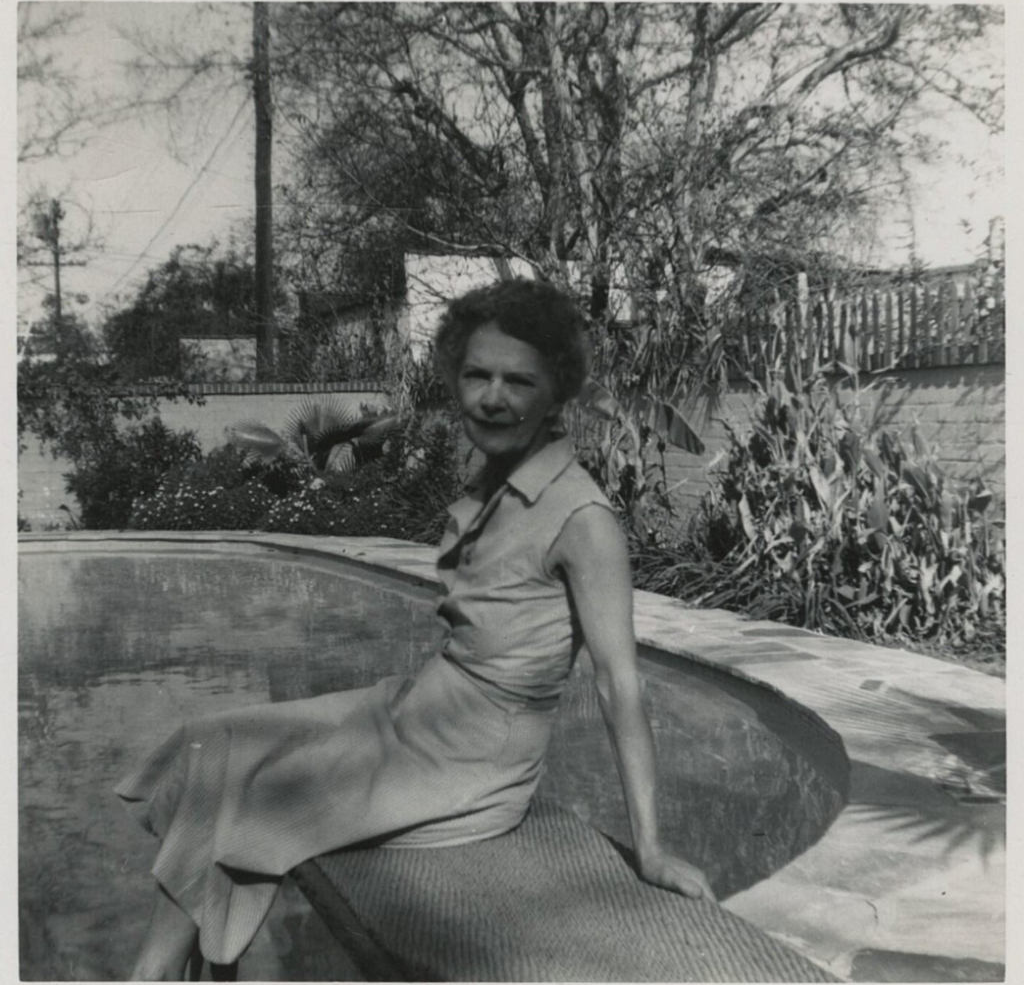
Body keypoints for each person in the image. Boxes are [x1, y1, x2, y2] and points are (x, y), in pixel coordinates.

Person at [117, 277, 714, 980]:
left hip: (469, 763)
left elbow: (619, 683)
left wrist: (649, 847)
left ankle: (149, 978)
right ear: (454, 378)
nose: (493, 397)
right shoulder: (490, 483)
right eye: (476, 374)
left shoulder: (583, 521)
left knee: (260, 794)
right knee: (212, 744)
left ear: (557, 392)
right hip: (414, 710)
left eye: (519, 380)